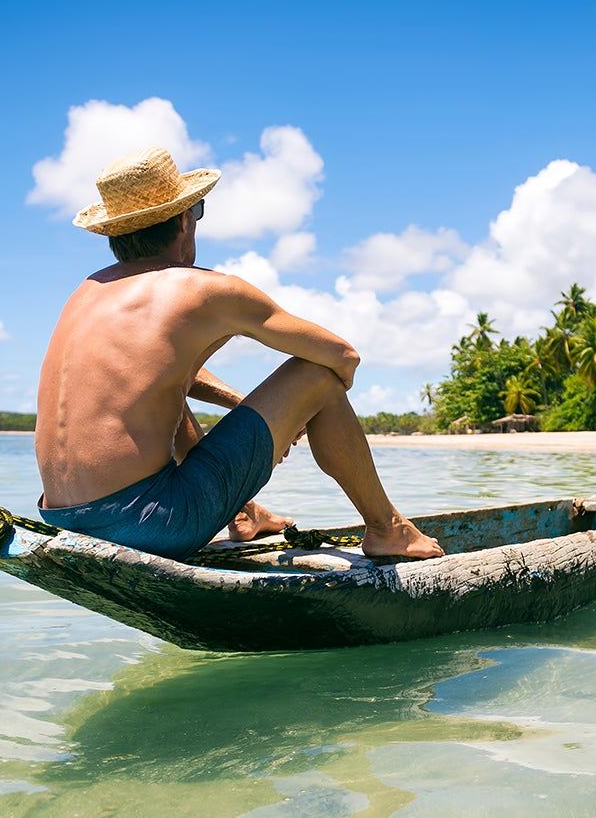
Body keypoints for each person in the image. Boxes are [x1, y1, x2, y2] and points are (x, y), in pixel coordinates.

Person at [34, 147, 444, 562]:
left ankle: (243, 512)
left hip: (61, 518)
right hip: (150, 524)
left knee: (166, 392)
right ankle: (388, 529)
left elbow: (157, 376)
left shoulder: (87, 292)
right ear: (183, 219)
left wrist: (245, 405)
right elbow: (342, 355)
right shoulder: (204, 290)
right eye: (198, 211)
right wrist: (305, 409)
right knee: (317, 375)